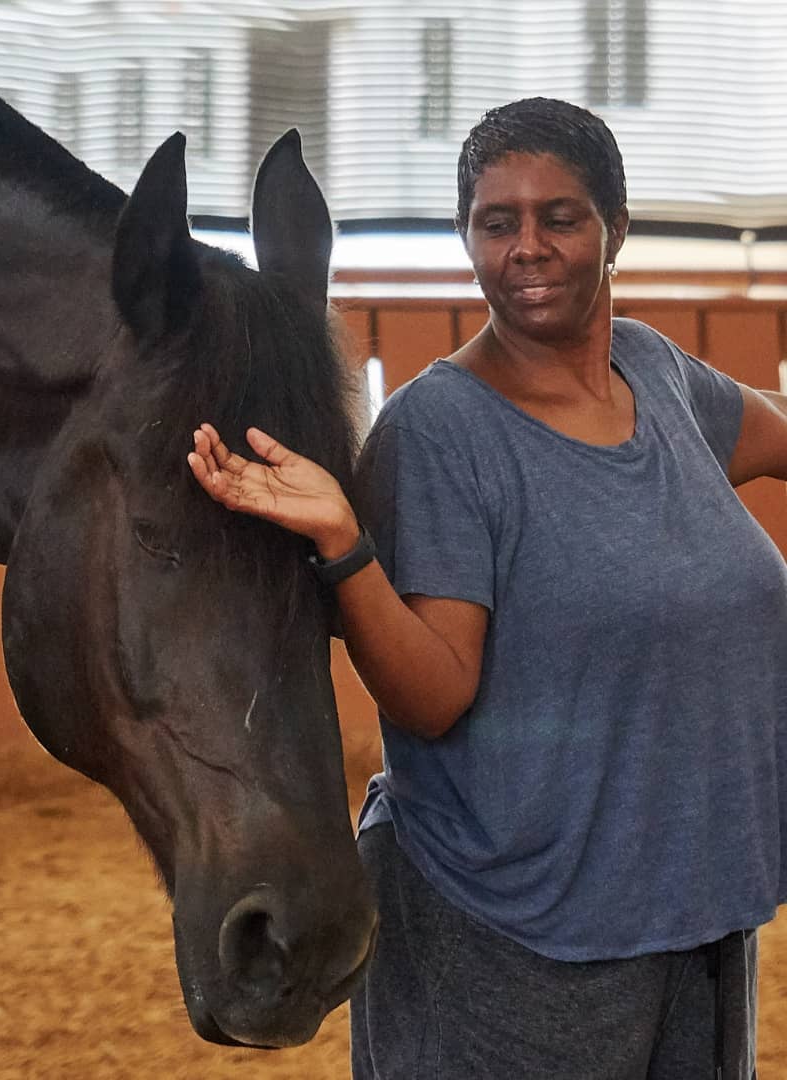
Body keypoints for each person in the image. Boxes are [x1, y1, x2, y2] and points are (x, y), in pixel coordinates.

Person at [187, 97, 787, 1079]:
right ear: (468, 237)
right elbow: (433, 694)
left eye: (560, 216)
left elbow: (773, 424)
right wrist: (345, 544)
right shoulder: (442, 433)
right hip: (512, 937)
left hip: (690, 914)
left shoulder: (656, 374)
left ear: (616, 228)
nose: (528, 247)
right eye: (495, 221)